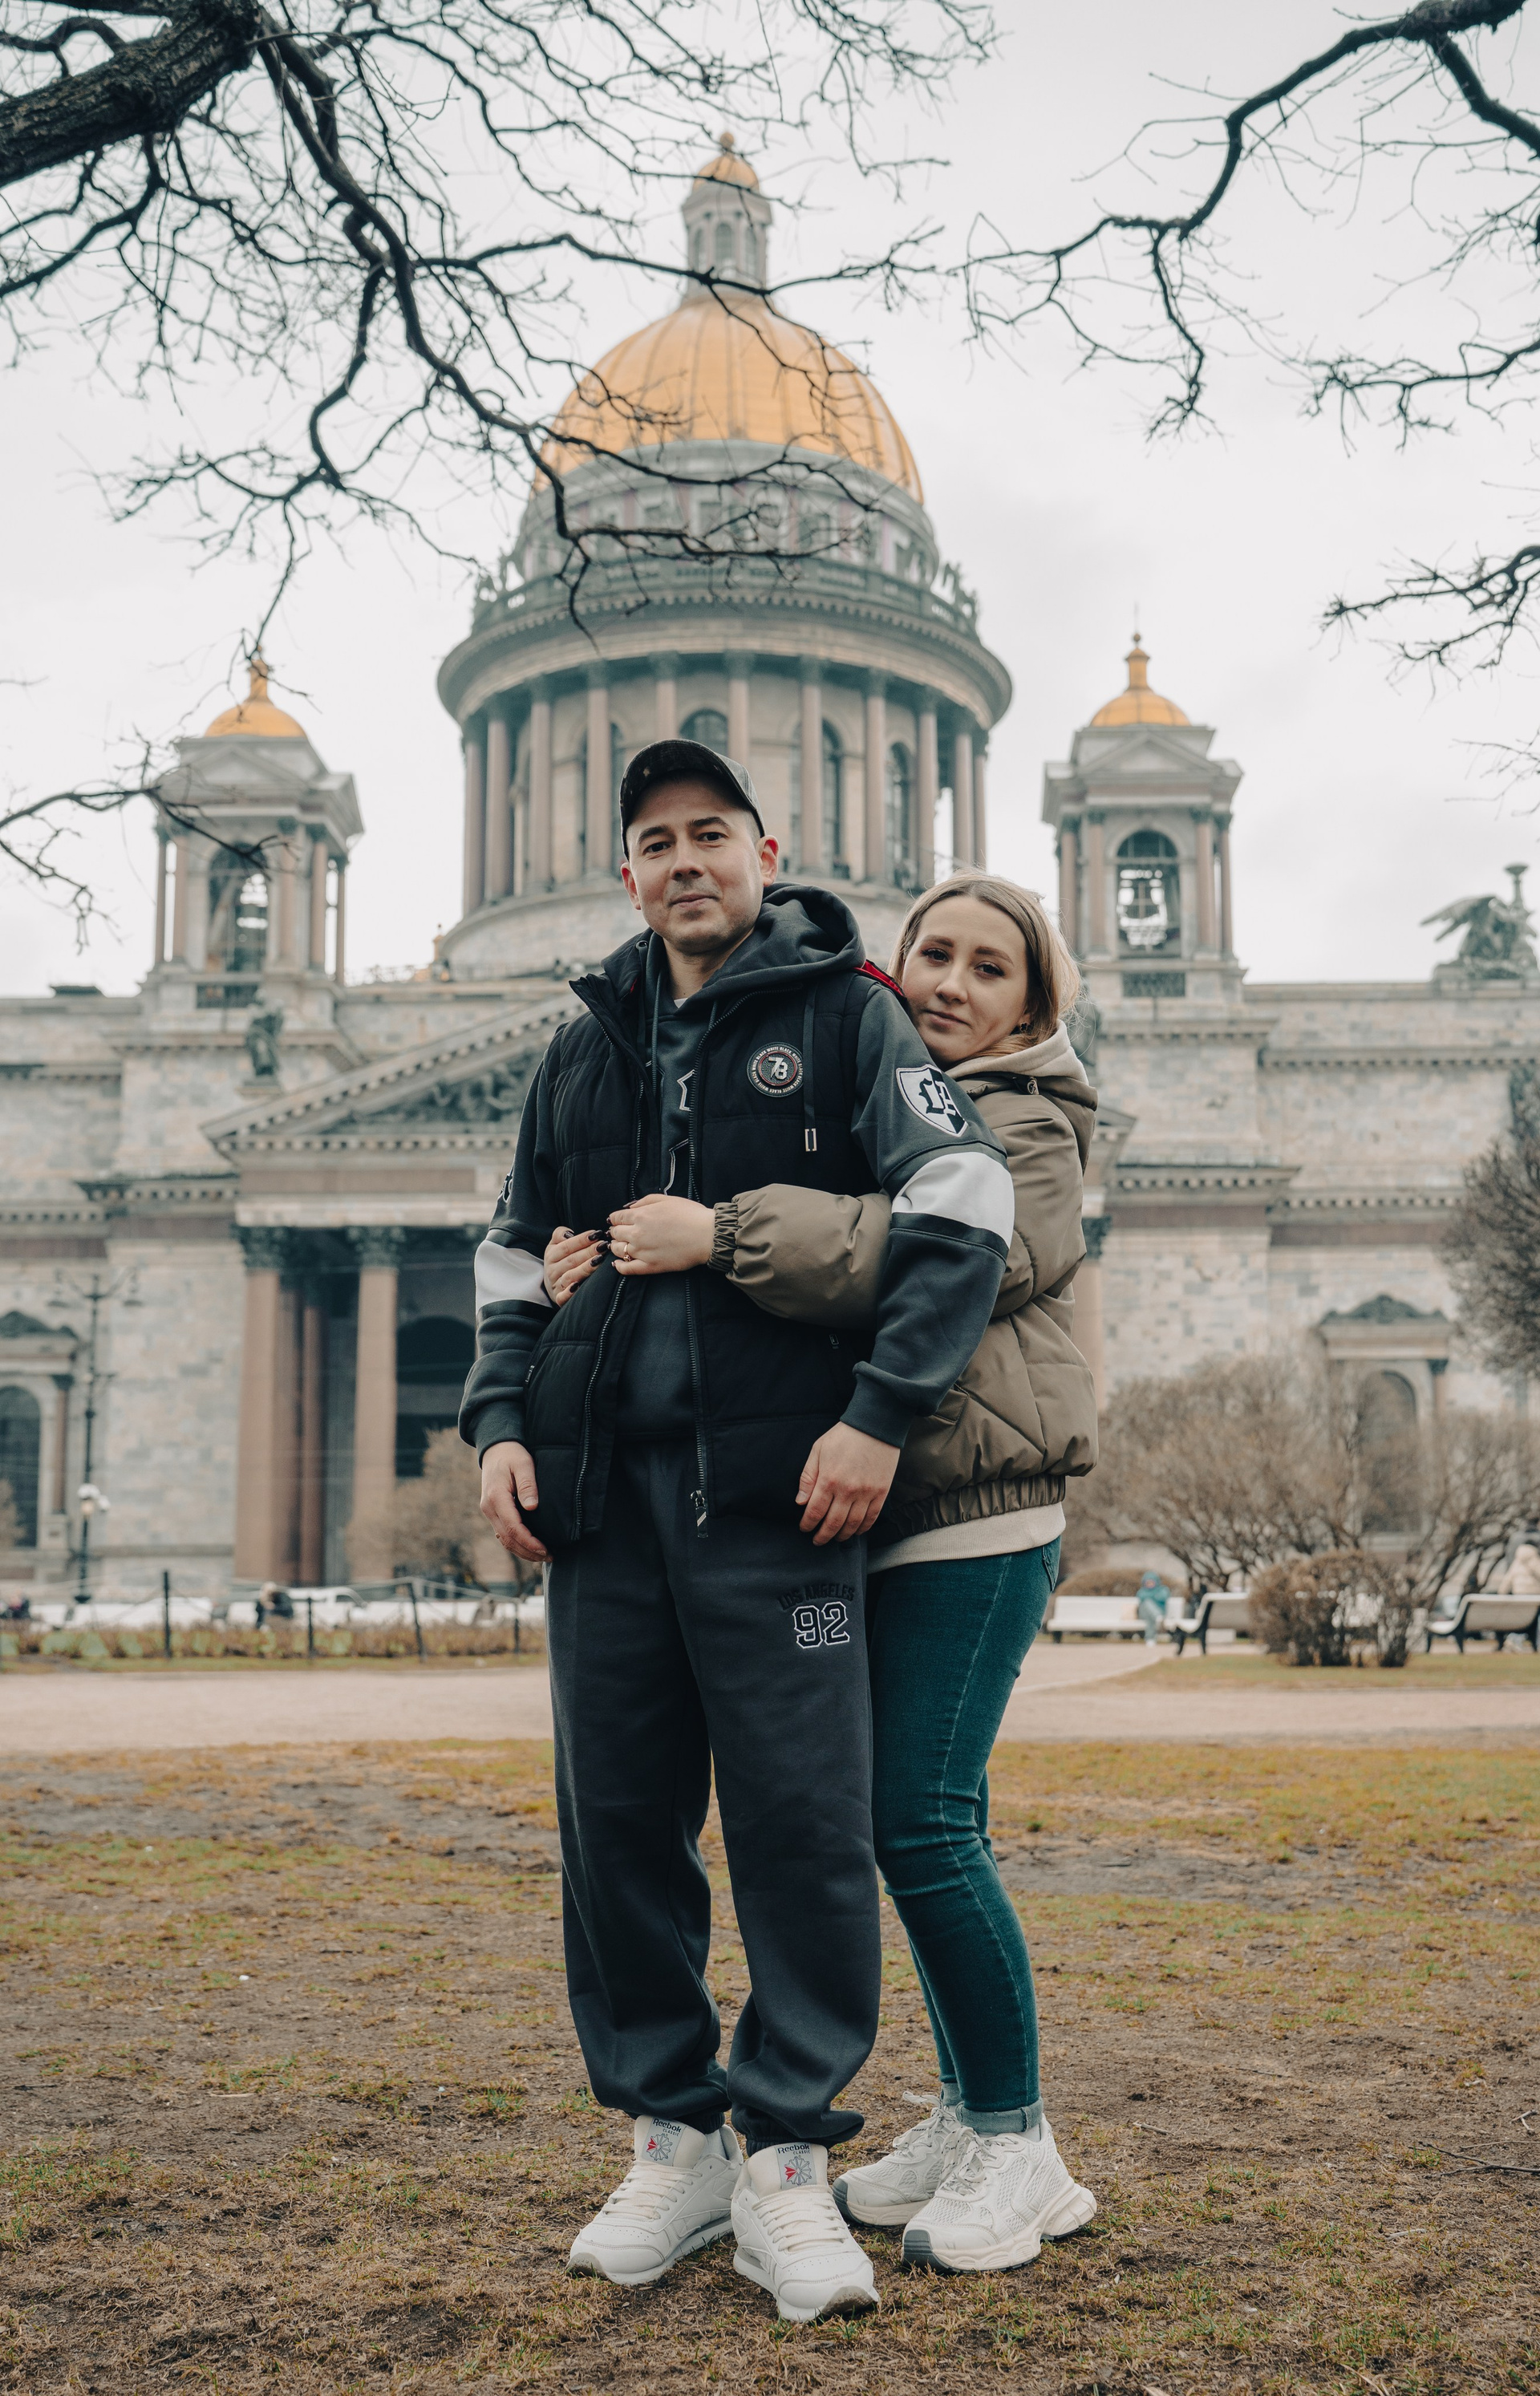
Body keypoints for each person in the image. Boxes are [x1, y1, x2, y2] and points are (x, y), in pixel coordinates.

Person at [461, 743, 1015, 2321]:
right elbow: (512, 1255)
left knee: (800, 1833)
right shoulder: (581, 1048)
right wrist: (500, 1425)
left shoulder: (851, 1017)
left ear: (768, 853)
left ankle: (781, 2152)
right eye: (656, 840)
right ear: (627, 872)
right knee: (617, 1832)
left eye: (713, 832)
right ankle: (672, 2137)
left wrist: (879, 1416)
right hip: (602, 1509)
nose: (685, 860)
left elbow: (966, 1204)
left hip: (775, 1498)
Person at [545, 870, 1100, 2276]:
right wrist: (591, 1264)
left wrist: (712, 1229)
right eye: (932, 956)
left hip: (976, 1514)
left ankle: (1018, 2141)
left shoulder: (1028, 1122)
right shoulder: (876, 1093)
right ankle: (968, 2115)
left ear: (1036, 1002)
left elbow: (920, 1254)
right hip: (873, 1515)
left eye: (990, 968)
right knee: (893, 1823)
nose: (950, 985)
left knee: (920, 1823)